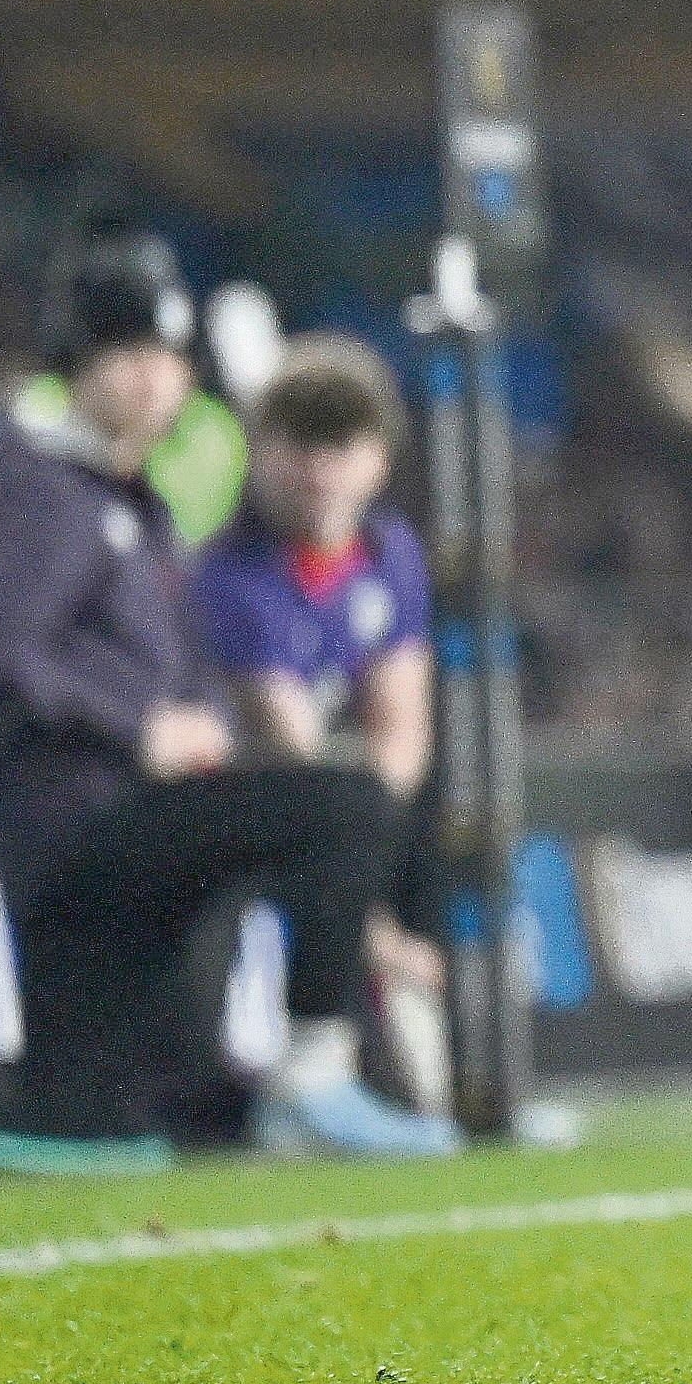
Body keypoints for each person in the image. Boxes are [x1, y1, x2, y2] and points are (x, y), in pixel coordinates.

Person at [0, 234, 451, 1159]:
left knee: (144, 1109)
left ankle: (334, 1083)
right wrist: (136, 726)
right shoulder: (46, 487)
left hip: (124, 830)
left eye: (168, 357)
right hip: (80, 832)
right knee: (345, 805)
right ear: (79, 365)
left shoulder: (125, 497)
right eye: (125, 354)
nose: (151, 379)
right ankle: (314, 1072)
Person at [186, 333, 450, 1098]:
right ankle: (316, 1067)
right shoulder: (230, 578)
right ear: (260, 452)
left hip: (340, 814)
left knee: (432, 807)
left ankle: (458, 1060)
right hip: (238, 808)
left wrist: (373, 866)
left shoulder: (390, 554)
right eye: (298, 446)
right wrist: (375, 937)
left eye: (339, 447)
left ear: (378, 460)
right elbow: (287, 750)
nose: (318, 472)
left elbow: (402, 731)